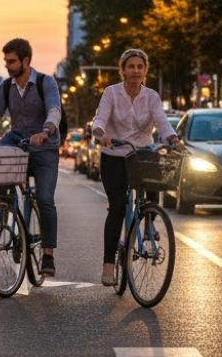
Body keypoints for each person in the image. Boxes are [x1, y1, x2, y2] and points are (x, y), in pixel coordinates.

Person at [0, 38, 63, 278]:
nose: (8, 66)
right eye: (6, 61)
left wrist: (45, 131)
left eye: (12, 61)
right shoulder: (5, 86)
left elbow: (55, 110)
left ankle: (47, 255)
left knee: (45, 199)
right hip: (18, 140)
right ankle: (3, 208)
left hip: (45, 147)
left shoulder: (46, 82)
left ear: (25, 60)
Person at [91, 48, 179, 287]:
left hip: (141, 153)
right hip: (114, 155)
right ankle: (109, 265)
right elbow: (100, 119)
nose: (135, 71)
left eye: (140, 67)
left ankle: (149, 218)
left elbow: (161, 121)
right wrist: (101, 133)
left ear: (145, 70)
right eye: (131, 66)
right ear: (122, 70)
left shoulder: (151, 96)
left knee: (156, 177)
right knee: (118, 207)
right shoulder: (111, 93)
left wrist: (172, 139)